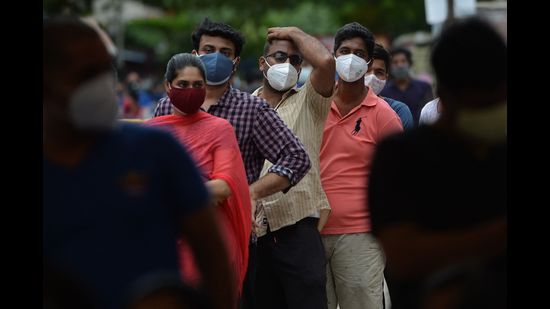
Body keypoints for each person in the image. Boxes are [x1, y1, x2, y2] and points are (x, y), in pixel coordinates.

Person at [43, 17, 235, 309]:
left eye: (104, 71)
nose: (100, 85)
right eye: (85, 74)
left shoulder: (154, 149)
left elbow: (214, 256)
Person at [153, 18, 311, 309]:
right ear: (194, 54)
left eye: (224, 53)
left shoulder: (251, 109)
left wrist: (250, 192)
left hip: (230, 234)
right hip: (175, 233)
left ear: (236, 63)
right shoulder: (167, 107)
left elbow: (297, 158)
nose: (215, 58)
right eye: (208, 49)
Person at [368, 17, 507, 309]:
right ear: (444, 94)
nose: (490, 112)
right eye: (479, 104)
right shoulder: (401, 157)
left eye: (496, 102)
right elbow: (404, 255)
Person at [145, 53, 251, 304]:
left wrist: (169, 192)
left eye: (197, 85)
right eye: (183, 85)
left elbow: (225, 186)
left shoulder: (219, 128)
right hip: (163, 245)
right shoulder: (151, 132)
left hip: (206, 245)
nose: (190, 91)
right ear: (167, 86)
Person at [319, 22, 404, 309]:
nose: (350, 58)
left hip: (361, 234)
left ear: (368, 63)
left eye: (358, 53)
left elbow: (399, 179)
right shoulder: (315, 105)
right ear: (333, 55)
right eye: (344, 51)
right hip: (310, 230)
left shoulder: (384, 116)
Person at [250, 26, 335, 309]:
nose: (287, 65)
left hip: (297, 226)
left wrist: (294, 33)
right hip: (253, 230)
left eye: (295, 60)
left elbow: (325, 63)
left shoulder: (311, 100)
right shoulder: (244, 107)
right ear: (263, 64)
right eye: (279, 57)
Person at [379, 47, 433, 126]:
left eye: (403, 61)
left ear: (410, 63)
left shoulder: (424, 87)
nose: (400, 65)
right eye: (395, 62)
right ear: (390, 67)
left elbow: (430, 112)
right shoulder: (384, 90)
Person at [365, 43, 414, 130]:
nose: (372, 77)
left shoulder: (399, 111)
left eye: (379, 72)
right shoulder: (339, 107)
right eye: (367, 70)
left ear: (386, 77)